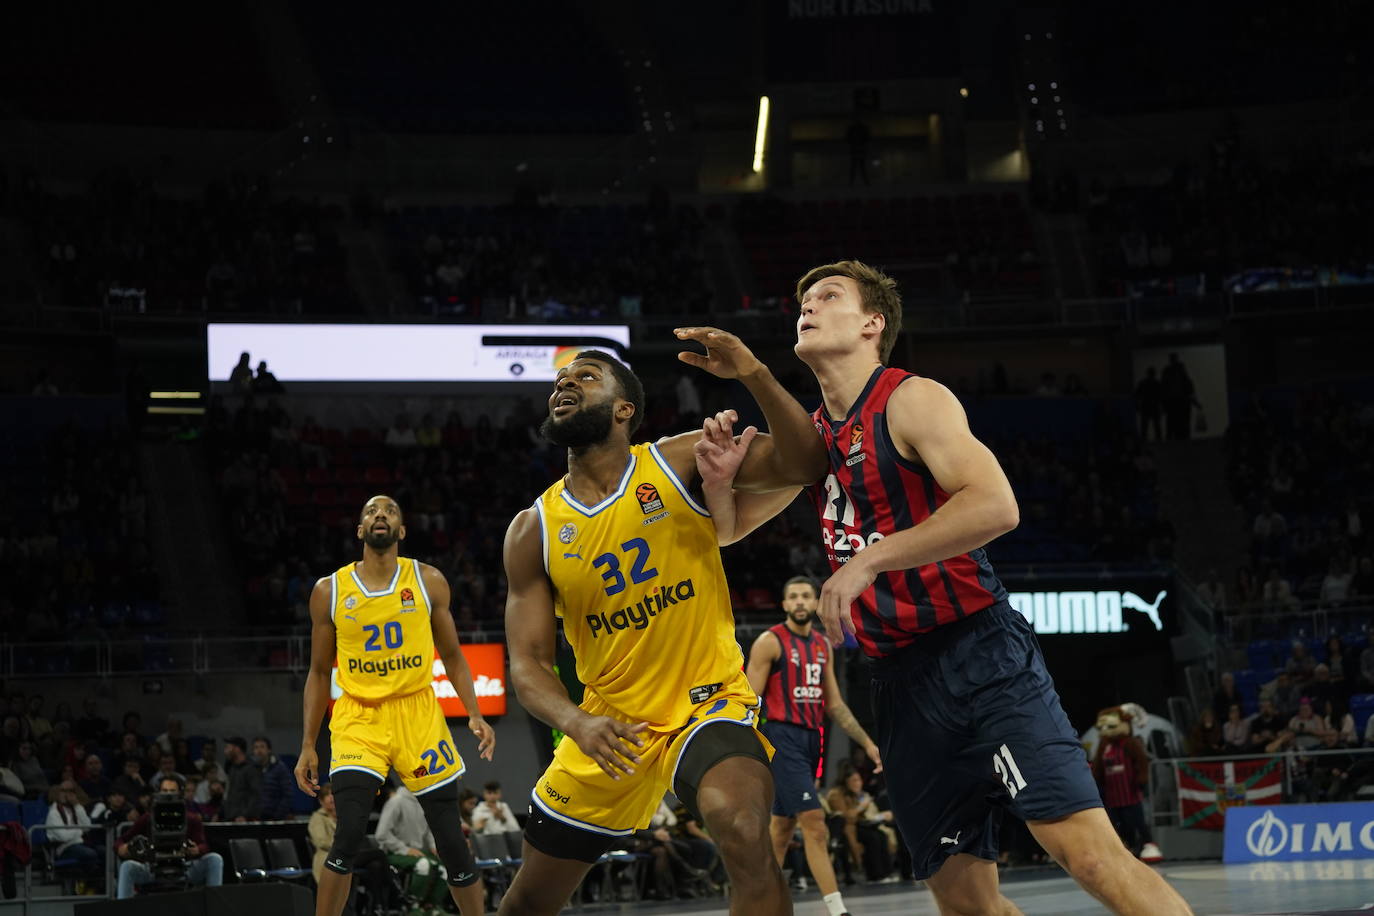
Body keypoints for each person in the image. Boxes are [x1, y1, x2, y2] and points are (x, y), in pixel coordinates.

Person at [695, 261, 1192, 914]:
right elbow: (729, 533)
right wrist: (720, 479)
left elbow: (996, 505)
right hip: (899, 684)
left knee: (1088, 854)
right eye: (803, 300)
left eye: (828, 296)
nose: (807, 306)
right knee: (963, 903)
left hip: (979, 655)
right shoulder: (810, 440)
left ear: (873, 324)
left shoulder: (909, 398)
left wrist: (869, 561)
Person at [498, 341, 824, 916]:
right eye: (559, 381)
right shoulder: (533, 529)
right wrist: (575, 720)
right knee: (527, 902)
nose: (564, 384)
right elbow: (526, 663)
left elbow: (806, 463)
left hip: (705, 704)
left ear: (625, 409)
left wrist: (751, 370)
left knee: (744, 827)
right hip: (608, 727)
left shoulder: (678, 461)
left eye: (587, 376)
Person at [295, 494, 495, 916]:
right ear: (360, 530)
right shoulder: (329, 591)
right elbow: (317, 672)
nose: (379, 514)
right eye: (370, 511)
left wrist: (474, 711)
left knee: (450, 840)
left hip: (417, 712)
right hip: (357, 716)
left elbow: (454, 656)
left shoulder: (428, 581)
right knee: (347, 834)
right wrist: (308, 743)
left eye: (389, 511)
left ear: (402, 530)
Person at [746, 575, 882, 916]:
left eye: (806, 595)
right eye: (793, 597)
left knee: (781, 829)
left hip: (811, 739)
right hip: (780, 737)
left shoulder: (823, 646)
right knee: (815, 822)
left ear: (815, 601)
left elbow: (834, 705)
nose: (800, 602)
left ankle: (760, 904)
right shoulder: (769, 642)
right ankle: (838, 910)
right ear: (784, 605)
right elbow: (747, 700)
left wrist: (868, 744)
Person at [115, 775, 223, 899]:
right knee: (127, 867)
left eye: (172, 791)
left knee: (215, 859)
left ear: (180, 793)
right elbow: (121, 841)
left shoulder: (192, 819)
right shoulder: (147, 818)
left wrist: (197, 849)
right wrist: (122, 848)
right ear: (158, 793)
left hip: (184, 867)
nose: (168, 795)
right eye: (165, 791)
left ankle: (214, 905)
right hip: (153, 868)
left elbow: (204, 845)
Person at [824, 764, 895, 883]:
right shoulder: (836, 795)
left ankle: (886, 874)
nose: (858, 783)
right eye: (854, 780)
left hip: (859, 825)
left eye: (859, 780)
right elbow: (844, 817)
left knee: (881, 835)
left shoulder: (857, 794)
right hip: (846, 829)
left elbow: (864, 815)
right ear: (846, 782)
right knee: (872, 838)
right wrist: (861, 807)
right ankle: (875, 875)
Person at [251, 736, 293, 820]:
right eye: (256, 747)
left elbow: (287, 794)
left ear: (269, 750)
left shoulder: (280, 768)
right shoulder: (250, 769)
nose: (259, 750)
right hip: (255, 818)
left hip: (275, 817)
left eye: (262, 747)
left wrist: (277, 816)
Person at [221, 737, 261, 822]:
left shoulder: (251, 768)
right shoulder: (232, 768)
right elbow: (228, 793)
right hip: (231, 817)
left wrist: (245, 815)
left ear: (237, 749)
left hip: (244, 819)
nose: (225, 751)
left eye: (228, 747)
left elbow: (255, 795)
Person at [307, 784, 337, 885]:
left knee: (375, 864)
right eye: (327, 795)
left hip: (345, 856)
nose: (331, 797)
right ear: (321, 800)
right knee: (376, 856)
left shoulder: (343, 817)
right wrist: (343, 846)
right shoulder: (317, 818)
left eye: (334, 794)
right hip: (327, 857)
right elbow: (321, 842)